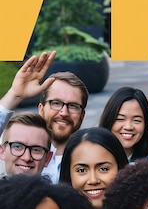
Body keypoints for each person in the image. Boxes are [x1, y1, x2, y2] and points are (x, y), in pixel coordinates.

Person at [0, 51, 89, 182]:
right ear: (41, 109)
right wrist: (14, 95)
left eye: (73, 106)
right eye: (56, 103)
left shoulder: (93, 156)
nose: (64, 112)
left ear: (82, 115)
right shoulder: (13, 144)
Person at [99, 86, 148, 161]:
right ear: (109, 120)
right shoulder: (93, 159)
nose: (128, 127)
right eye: (120, 119)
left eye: (136, 120)